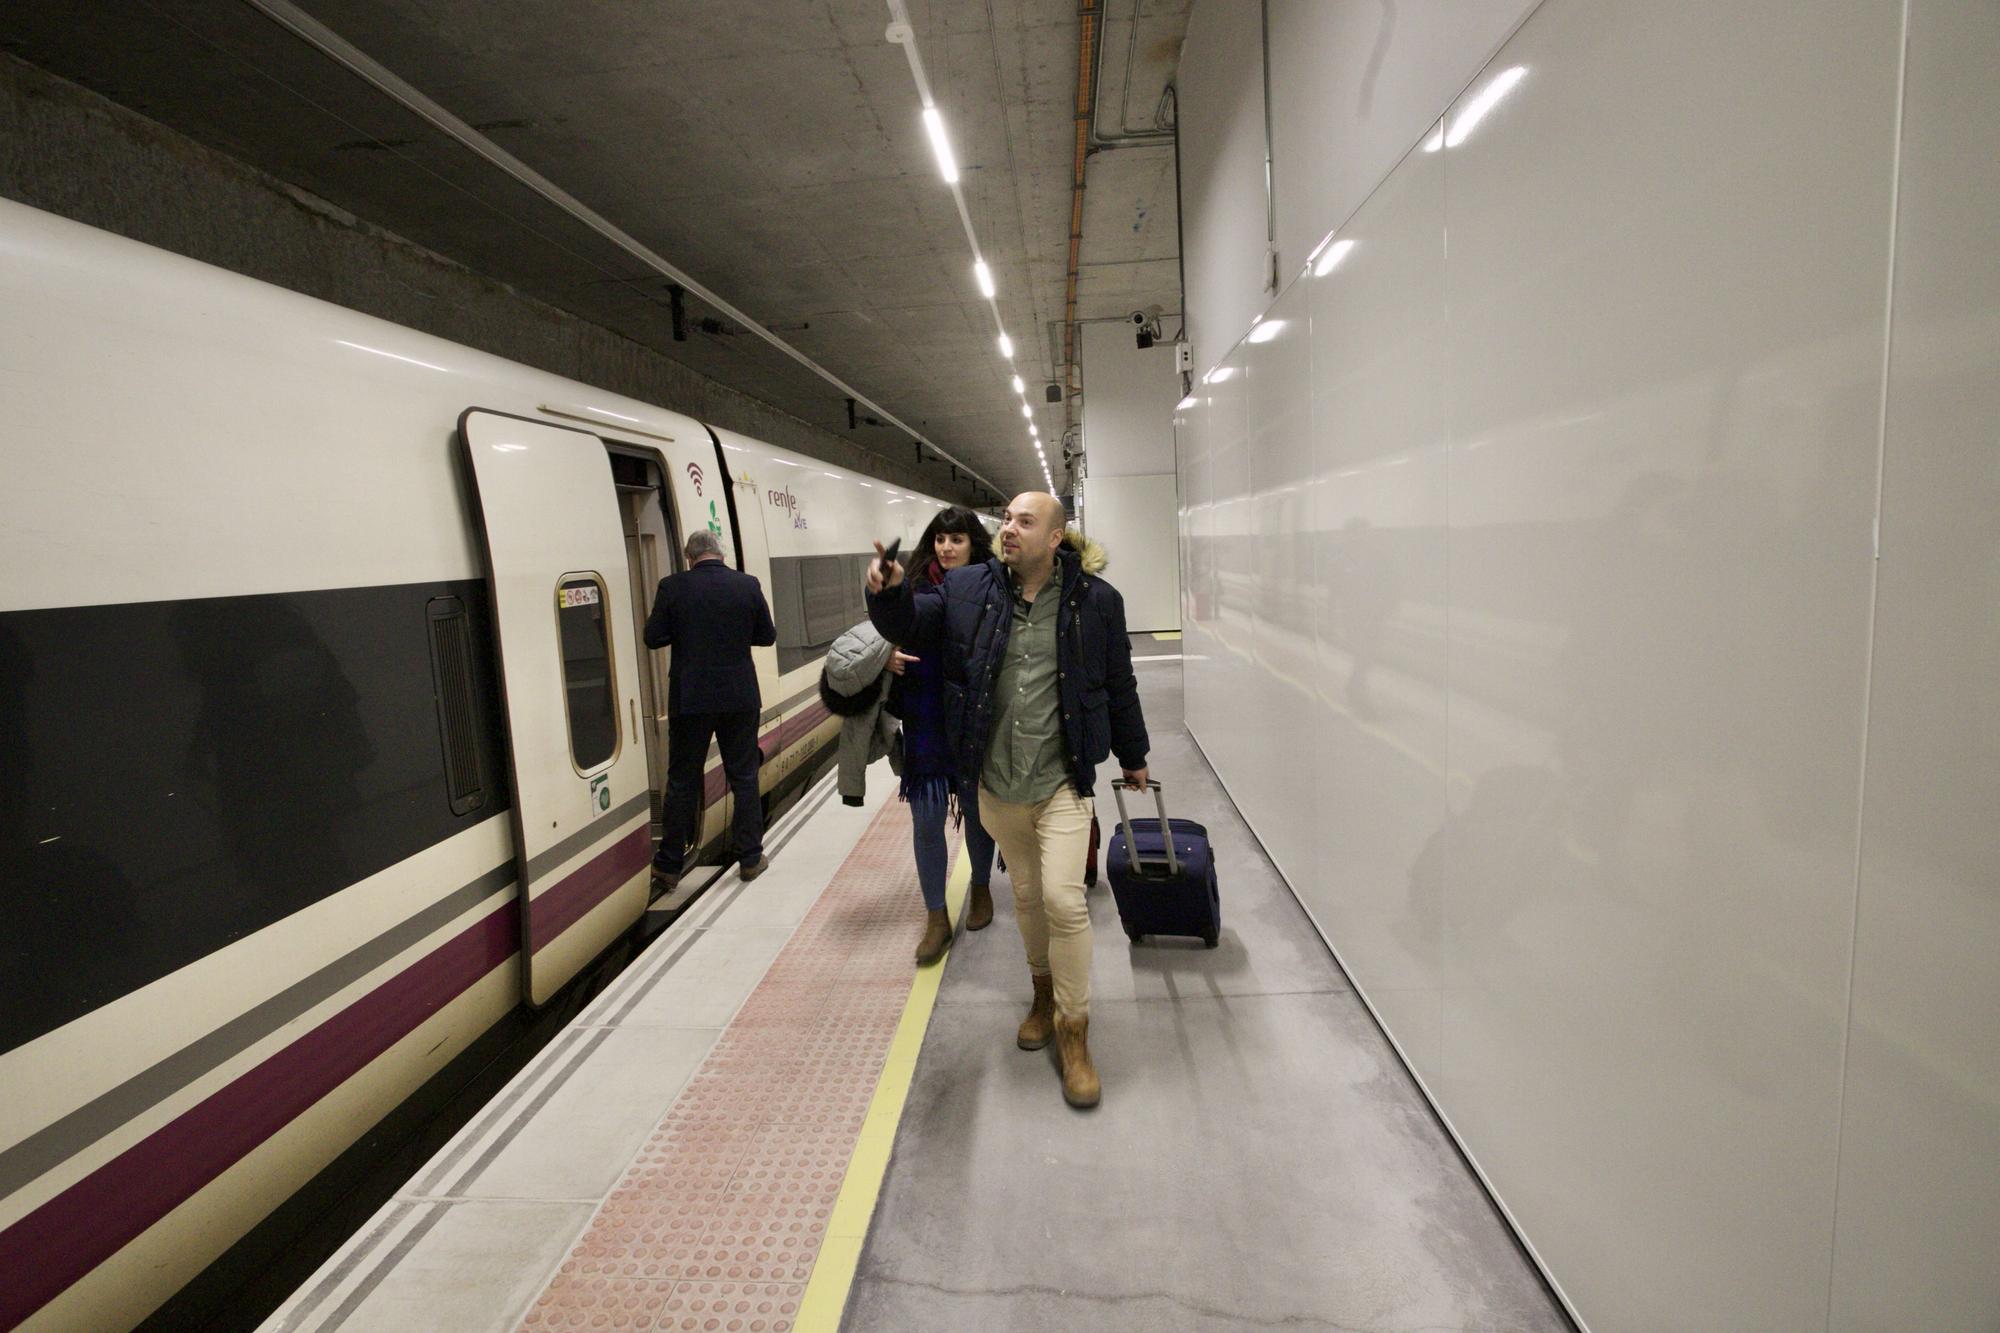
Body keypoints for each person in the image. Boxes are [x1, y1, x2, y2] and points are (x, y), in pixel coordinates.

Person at [868, 492, 1149, 1109]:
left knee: (1062, 901)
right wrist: (889, 593)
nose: (1008, 530)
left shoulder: (1096, 604)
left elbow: (1119, 682)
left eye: (1025, 522)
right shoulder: (968, 589)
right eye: (1006, 520)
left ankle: (1075, 1032)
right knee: (1025, 897)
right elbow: (913, 621)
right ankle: (1043, 996)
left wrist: (1133, 756)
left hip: (1063, 781)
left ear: (1056, 539)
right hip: (996, 783)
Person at [886, 506, 999, 967]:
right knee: (926, 817)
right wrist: (886, 654)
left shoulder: (993, 588)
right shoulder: (916, 587)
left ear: (973, 543)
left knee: (977, 812)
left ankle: (981, 888)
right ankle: (936, 916)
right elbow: (891, 626)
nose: (947, 548)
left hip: (973, 715)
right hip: (926, 713)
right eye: (940, 539)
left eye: (956, 539)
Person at [645, 529, 777, 890]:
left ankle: (669, 866)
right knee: (744, 776)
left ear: (690, 557)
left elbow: (653, 637)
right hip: (739, 697)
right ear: (720, 554)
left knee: (683, 780)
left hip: (691, 699)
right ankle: (750, 859)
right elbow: (767, 636)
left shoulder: (672, 587)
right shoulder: (747, 585)